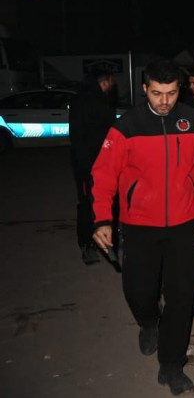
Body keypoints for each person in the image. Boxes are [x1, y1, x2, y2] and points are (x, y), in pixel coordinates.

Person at [90, 59, 194, 395]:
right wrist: (102, 218)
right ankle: (149, 322)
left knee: (182, 295)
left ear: (180, 90)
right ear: (144, 89)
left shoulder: (193, 121)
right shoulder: (127, 126)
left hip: (185, 223)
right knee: (139, 290)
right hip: (139, 225)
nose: (164, 101)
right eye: (157, 93)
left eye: (171, 93)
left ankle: (172, 363)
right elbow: (103, 174)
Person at [69, 67, 117, 265]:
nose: (114, 85)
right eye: (112, 81)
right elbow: (78, 136)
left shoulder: (101, 100)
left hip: (103, 162)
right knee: (87, 204)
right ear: (104, 81)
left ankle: (107, 240)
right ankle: (87, 244)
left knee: (107, 201)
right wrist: (87, 167)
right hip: (88, 164)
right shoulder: (84, 101)